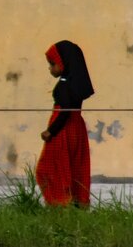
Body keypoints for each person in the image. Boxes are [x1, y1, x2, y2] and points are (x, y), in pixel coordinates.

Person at [35, 40, 94, 207]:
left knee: (49, 168)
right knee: (74, 167)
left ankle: (59, 202)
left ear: (63, 62)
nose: (50, 68)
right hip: (77, 129)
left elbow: (65, 111)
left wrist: (51, 131)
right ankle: (76, 201)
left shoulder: (65, 85)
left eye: (53, 64)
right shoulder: (75, 83)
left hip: (63, 130)